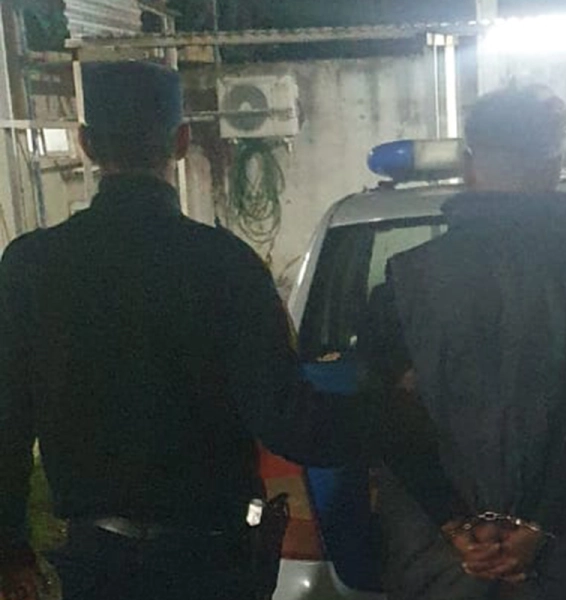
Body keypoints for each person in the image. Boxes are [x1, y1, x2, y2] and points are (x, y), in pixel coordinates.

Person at [0, 61, 361, 600]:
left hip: (97, 568)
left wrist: (10, 549)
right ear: (181, 141)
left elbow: (7, 420)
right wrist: (396, 415)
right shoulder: (226, 264)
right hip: (211, 565)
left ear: (87, 145)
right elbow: (286, 421)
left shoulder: (31, 266)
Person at [363, 85, 566, 600]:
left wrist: (458, 528)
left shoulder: (406, 279)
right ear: (556, 164)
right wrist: (540, 530)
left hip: (443, 568)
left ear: (468, 164)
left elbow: (393, 422)